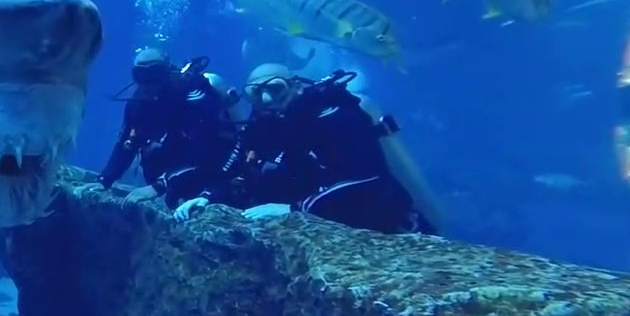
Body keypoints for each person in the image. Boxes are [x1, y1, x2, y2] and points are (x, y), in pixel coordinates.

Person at [173, 63, 442, 235]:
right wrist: (208, 196)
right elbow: (237, 169)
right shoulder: (261, 127)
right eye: (255, 93)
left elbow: (368, 177)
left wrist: (295, 208)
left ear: (295, 85)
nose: (266, 99)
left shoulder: (332, 115)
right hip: (333, 223)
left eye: (275, 89)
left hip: (388, 224)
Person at [82, 48, 247, 207]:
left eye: (155, 73)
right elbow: (127, 142)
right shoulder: (138, 103)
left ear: (167, 71)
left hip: (210, 167)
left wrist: (160, 185)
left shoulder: (194, 96)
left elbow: (207, 150)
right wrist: (106, 180)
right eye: (141, 75)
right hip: (174, 169)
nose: (149, 82)